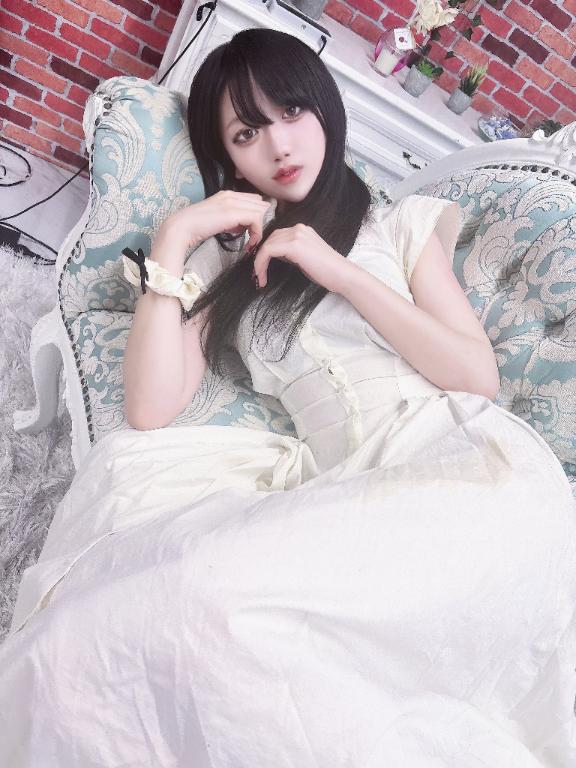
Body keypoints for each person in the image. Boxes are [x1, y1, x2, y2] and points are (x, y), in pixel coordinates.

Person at [0, 27, 575, 768]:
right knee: (168, 616)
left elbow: (477, 376)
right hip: (344, 488)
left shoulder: (397, 225)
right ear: (227, 156)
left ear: (325, 110)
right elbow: (150, 406)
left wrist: (339, 272)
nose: (279, 145)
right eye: (246, 133)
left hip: (464, 466)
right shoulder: (229, 258)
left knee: (227, 612)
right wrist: (177, 237)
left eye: (293, 112)